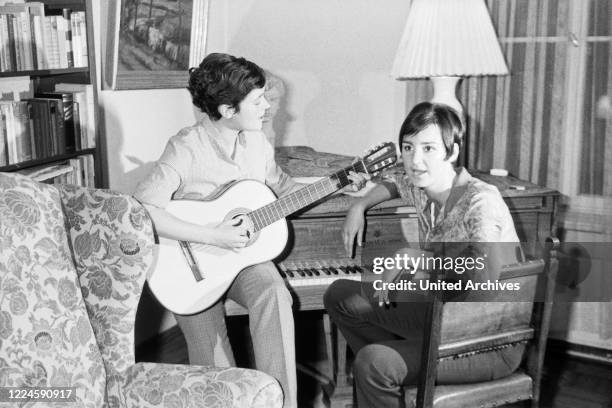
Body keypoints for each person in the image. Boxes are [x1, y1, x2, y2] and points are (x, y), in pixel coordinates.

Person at [134, 53, 362, 408]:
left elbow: (283, 190)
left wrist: (338, 183)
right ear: (227, 110)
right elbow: (142, 210)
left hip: (242, 262)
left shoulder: (256, 142)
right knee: (215, 364)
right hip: (186, 267)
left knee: (274, 292)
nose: (267, 107)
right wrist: (213, 235)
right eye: (257, 101)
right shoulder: (185, 148)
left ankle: (283, 402)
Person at [323, 102, 524, 407]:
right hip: (442, 315)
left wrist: (414, 257)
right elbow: (393, 181)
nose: (415, 160)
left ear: (452, 152)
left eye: (428, 148)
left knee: (373, 362)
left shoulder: (481, 200)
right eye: (408, 147)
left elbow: (483, 274)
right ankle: (391, 383)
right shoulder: (424, 183)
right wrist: (358, 205)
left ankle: (385, 374)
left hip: (486, 341)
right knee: (341, 295)